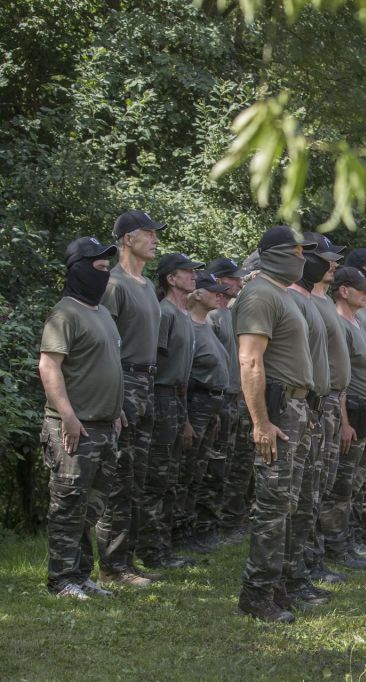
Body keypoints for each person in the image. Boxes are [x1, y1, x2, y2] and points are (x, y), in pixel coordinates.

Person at [234, 226, 317, 623]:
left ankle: (280, 588)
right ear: (277, 254)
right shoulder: (259, 294)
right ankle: (257, 595)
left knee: (289, 503)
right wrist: (261, 423)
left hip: (294, 409)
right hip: (277, 414)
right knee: (272, 505)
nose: (303, 259)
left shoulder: (279, 294)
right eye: (298, 252)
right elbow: (250, 360)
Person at [39, 237, 123, 599]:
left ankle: (81, 575)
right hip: (74, 428)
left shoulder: (102, 313)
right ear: (79, 270)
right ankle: (60, 580)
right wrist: (67, 416)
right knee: (68, 504)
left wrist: (116, 410)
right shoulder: (65, 313)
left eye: (107, 270)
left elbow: (106, 366)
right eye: (99, 269)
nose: (104, 276)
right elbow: (49, 366)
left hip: (104, 426)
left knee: (92, 507)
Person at [96, 210, 165, 587]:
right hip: (125, 382)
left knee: (137, 476)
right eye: (148, 233)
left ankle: (127, 558)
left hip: (148, 385)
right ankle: (112, 566)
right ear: (126, 238)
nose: (155, 239)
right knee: (119, 477)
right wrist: (115, 396)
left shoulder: (147, 284)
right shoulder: (114, 283)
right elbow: (105, 343)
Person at [281, 235, 341, 598]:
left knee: (310, 495)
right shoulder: (289, 300)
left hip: (313, 406)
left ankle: (301, 569)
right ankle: (290, 575)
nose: (331, 266)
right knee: (293, 499)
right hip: (294, 406)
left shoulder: (314, 301)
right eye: (325, 260)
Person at [136, 252, 203, 570]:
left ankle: (162, 545)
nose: (193, 276)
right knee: (157, 477)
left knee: (171, 475)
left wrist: (186, 418)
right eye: (186, 272)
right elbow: (154, 363)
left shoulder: (185, 314)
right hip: (160, 398)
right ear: (170, 278)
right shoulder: (165, 313)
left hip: (177, 400)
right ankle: (150, 549)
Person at [304, 234, 363, 579]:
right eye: (327, 259)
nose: (334, 265)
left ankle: (316, 557)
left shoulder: (323, 302)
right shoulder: (302, 302)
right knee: (309, 489)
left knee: (323, 484)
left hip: (331, 399)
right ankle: (306, 563)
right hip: (311, 404)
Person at [324, 266, 366, 562]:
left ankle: (348, 539)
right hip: (352, 412)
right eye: (361, 288)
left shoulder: (358, 321)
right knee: (342, 484)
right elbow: (341, 379)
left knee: (359, 480)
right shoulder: (340, 323)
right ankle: (335, 546)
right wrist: (344, 423)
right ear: (344, 290)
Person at [174, 271, 231, 553]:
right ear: (197, 294)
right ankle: (176, 533)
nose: (219, 296)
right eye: (214, 291)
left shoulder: (206, 326)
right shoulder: (187, 326)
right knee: (185, 471)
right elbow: (181, 376)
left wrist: (217, 412)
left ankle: (191, 528)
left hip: (211, 406)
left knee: (200, 471)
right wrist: (185, 419)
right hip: (194, 406)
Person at [199, 257, 247, 546]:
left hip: (234, 398)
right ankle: (204, 525)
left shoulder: (231, 313)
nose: (238, 284)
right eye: (232, 279)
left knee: (231, 464)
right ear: (217, 280)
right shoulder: (212, 316)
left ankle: (227, 520)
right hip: (216, 399)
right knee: (212, 465)